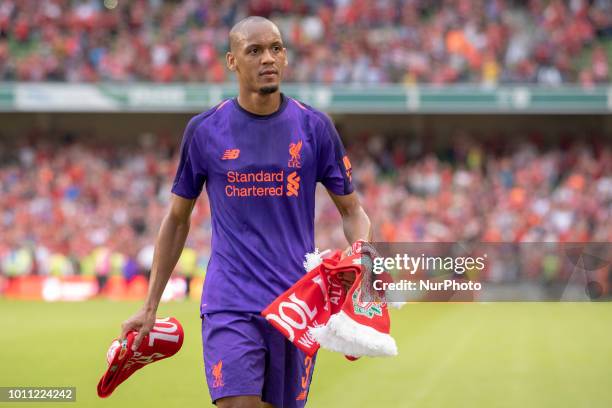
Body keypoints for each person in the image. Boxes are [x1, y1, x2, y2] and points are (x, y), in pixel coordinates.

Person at [120, 16, 372, 408]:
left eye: (275, 48)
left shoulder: (314, 127)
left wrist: (361, 262)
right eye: (254, 50)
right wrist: (151, 304)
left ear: (285, 57)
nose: (268, 58)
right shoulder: (204, 131)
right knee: (239, 404)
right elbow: (177, 219)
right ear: (232, 61)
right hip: (229, 299)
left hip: (295, 303)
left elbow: (353, 210)